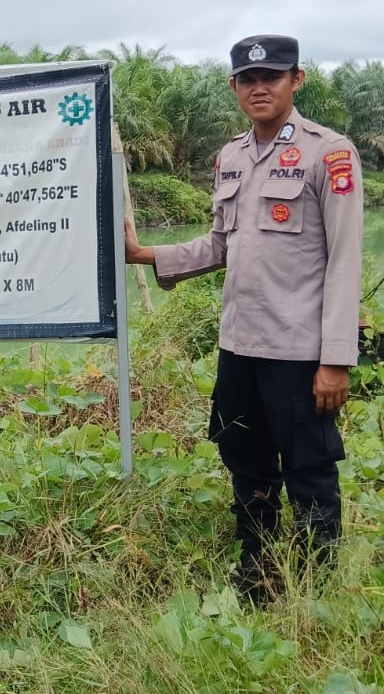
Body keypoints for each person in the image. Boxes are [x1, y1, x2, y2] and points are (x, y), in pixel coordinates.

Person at [125, 35, 363, 601]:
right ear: (234, 87)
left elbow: (345, 261)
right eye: (248, 80)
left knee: (309, 469)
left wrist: (335, 360)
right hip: (240, 346)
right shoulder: (230, 157)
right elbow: (220, 245)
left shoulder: (328, 153)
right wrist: (148, 254)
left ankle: (313, 590)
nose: (261, 88)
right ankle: (257, 575)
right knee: (247, 465)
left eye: (273, 77)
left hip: (299, 350)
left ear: (295, 81)